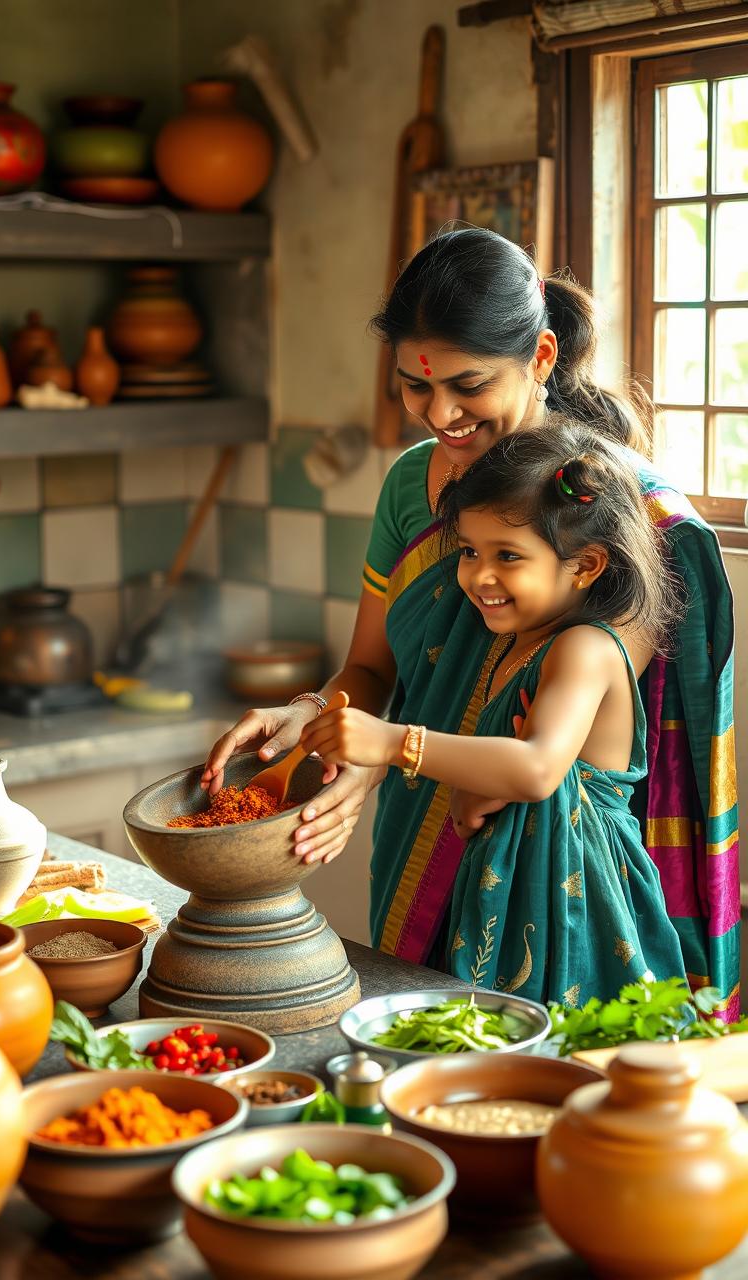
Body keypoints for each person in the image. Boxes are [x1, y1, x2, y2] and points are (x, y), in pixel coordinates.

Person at [203, 227, 739, 1014]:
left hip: (559, 866)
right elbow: (373, 671)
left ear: (543, 358)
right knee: (421, 1046)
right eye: (416, 388)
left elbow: (551, 733)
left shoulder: (611, 514)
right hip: (423, 828)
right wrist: (313, 715)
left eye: (469, 384)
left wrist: (388, 751)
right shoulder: (408, 488)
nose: (440, 414)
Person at [300, 424, 687, 1005]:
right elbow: (513, 770)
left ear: (585, 565)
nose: (479, 577)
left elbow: (535, 769)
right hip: (507, 899)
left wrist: (394, 743)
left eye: (508, 556)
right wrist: (476, 790)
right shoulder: (512, 644)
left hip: (577, 912)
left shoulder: (584, 649)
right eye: (470, 552)